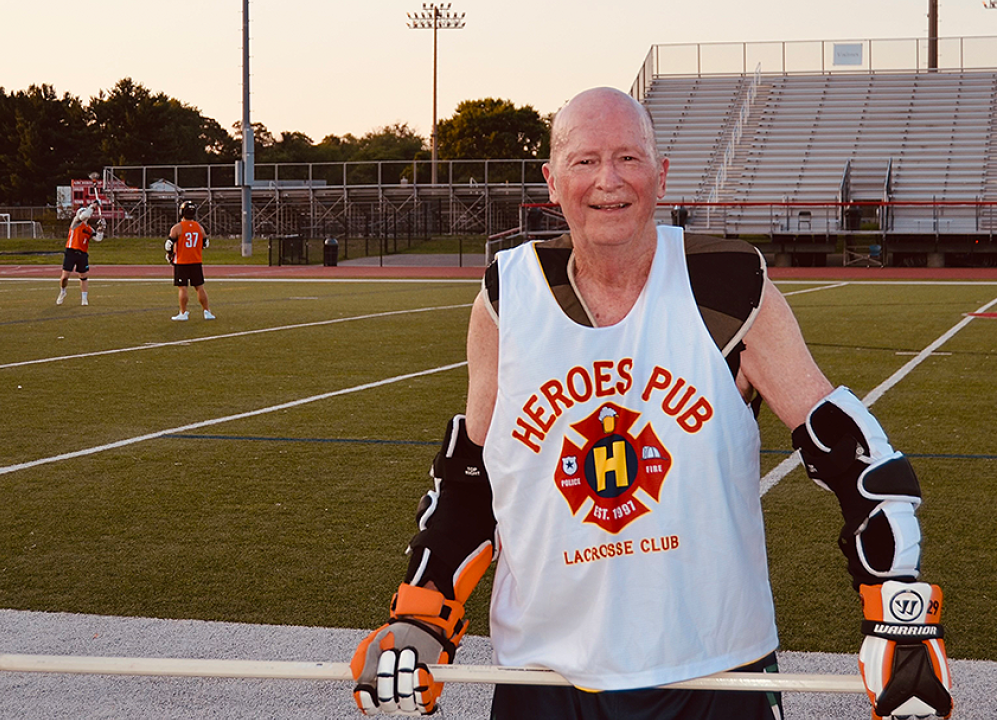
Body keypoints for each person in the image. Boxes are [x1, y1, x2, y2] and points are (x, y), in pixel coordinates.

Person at [351, 88, 952, 720]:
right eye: (584, 162)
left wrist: (898, 607)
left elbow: (850, 452)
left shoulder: (724, 285)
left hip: (712, 668)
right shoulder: (508, 297)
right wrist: (420, 618)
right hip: (546, 675)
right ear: (551, 182)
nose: (608, 181)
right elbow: (472, 477)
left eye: (628, 159)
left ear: (661, 176)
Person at [166, 200, 214, 321]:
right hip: (196, 261)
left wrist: (169, 255)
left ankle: (183, 312)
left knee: (183, 288)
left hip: (182, 261)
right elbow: (206, 243)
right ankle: (207, 311)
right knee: (199, 287)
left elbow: (168, 245)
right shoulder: (199, 227)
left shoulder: (177, 228)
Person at [57, 205, 100, 306]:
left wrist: (101, 229)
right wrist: (93, 206)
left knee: (83, 276)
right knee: (65, 277)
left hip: (82, 253)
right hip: (71, 251)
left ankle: (84, 298)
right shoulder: (75, 223)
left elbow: (98, 238)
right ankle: (63, 291)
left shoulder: (89, 229)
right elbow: (83, 216)